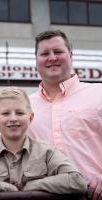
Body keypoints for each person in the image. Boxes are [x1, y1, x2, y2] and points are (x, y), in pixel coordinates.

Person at [0, 87, 87, 195]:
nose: (13, 118)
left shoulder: (46, 150)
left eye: (20, 113)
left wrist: (33, 185)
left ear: (30, 117)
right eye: (5, 113)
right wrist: (9, 188)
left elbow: (77, 181)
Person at [26, 30, 102, 200]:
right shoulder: (24, 106)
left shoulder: (99, 94)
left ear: (71, 55)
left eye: (58, 51)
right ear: (36, 60)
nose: (52, 57)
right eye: (45, 53)